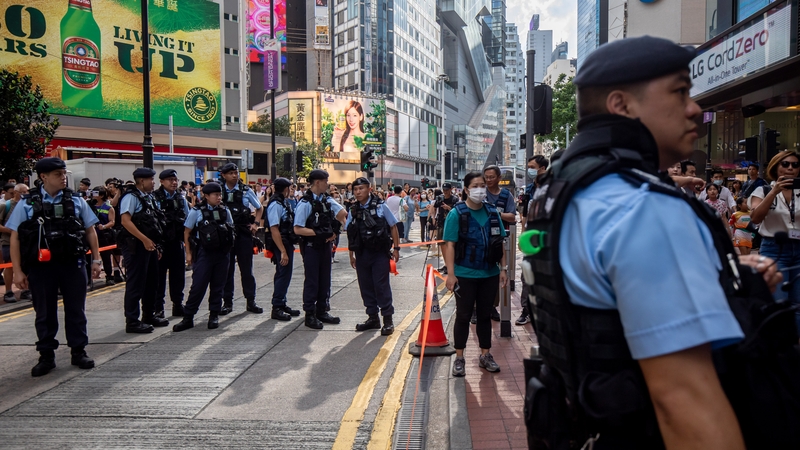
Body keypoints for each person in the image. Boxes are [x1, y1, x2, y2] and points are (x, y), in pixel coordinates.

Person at [522, 36, 794, 449]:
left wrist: (723, 279)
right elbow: (685, 404)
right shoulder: (643, 208)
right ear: (622, 105)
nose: (695, 109)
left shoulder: (561, 190)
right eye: (680, 92)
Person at [7, 157, 101, 377]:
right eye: (58, 174)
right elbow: (15, 237)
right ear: (43, 177)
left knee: (76, 309)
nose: (64, 177)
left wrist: (96, 260)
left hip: (72, 262)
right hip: (42, 266)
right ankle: (46, 355)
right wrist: (18, 270)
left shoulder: (76, 200)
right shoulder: (27, 202)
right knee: (44, 312)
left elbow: (90, 230)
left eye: (64, 173)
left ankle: (78, 351)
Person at [444, 172, 508, 377]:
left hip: (489, 273)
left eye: (482, 185)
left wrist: (503, 269)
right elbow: (450, 245)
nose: (480, 189)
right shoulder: (457, 214)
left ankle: (485, 354)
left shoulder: (492, 212)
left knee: (484, 315)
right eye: (475, 186)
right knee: (463, 315)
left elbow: (500, 244)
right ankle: (460, 357)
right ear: (466, 189)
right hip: (464, 274)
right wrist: (451, 274)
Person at [173, 182, 235, 332]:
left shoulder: (225, 210)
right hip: (204, 253)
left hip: (222, 253)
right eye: (215, 195)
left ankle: (214, 315)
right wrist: (188, 253)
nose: (219, 197)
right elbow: (187, 232)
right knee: (198, 285)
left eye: (220, 195)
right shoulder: (197, 211)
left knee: (218, 286)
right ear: (206, 196)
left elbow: (231, 228)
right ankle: (188, 317)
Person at [749, 150, 800, 333]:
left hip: (799, 251)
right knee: (777, 302)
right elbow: (755, 218)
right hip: (774, 249)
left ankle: (795, 348)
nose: (790, 168)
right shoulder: (762, 190)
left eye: (795, 165)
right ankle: (779, 348)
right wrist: (774, 191)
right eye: (785, 164)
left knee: (798, 304)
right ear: (775, 167)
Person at [346, 177, 401, 335]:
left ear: (369, 189)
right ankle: (372, 317)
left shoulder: (380, 206)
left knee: (381, 285)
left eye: (361, 188)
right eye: (355, 189)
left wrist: (396, 249)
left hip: (379, 253)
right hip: (361, 253)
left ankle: (388, 320)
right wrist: (351, 255)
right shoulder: (353, 209)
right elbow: (351, 233)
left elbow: (393, 226)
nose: (358, 192)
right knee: (366, 286)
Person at [293, 169, 347, 329]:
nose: (328, 184)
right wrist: (319, 233)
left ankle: (322, 310)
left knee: (325, 278)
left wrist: (334, 231)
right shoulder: (305, 203)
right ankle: (310, 313)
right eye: (326, 181)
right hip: (311, 247)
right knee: (312, 280)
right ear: (317, 182)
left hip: (325, 246)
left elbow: (343, 212)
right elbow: (297, 229)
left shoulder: (326, 200)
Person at [118, 167, 168, 333]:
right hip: (136, 245)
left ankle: (148, 315)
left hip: (150, 245)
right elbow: (126, 221)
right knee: (136, 283)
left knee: (152, 282)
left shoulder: (148, 197)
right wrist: (144, 240)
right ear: (141, 181)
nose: (153, 183)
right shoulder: (131, 197)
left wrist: (155, 244)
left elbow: (153, 222)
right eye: (151, 180)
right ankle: (132, 321)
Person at [218, 163, 264, 315]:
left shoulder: (245, 190)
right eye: (230, 173)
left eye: (236, 172)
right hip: (225, 235)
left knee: (246, 270)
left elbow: (259, 207)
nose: (234, 175)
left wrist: (256, 224)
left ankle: (251, 301)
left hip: (243, 233)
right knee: (227, 270)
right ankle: (227, 302)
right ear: (224, 175)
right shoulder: (219, 190)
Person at [153, 169, 190, 317]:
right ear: (162, 181)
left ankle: (177, 304)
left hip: (176, 242)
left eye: (175, 180)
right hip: (161, 244)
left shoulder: (181, 199)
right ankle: (158, 308)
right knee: (159, 277)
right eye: (170, 180)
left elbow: (188, 219)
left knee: (178, 276)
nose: (174, 183)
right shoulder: (154, 198)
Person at [483, 165, 518, 321]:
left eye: (491, 177)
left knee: (496, 274)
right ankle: (478, 309)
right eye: (486, 177)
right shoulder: (481, 193)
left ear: (498, 178)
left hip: (498, 240)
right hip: (481, 238)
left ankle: (492, 307)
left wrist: (497, 213)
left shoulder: (506, 195)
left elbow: (512, 217)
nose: (488, 180)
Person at [517, 155, 549, 326]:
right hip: (530, 238)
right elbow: (524, 216)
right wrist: (522, 235)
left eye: (532, 166)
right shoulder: (529, 189)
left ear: (542, 168)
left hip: (547, 240)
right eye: (528, 166)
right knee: (526, 276)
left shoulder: (553, 187)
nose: (529, 169)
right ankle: (526, 310)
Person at [266, 178, 302, 321]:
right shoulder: (275, 204)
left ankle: (282, 302)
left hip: (285, 242)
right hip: (281, 243)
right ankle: (277, 306)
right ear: (285, 189)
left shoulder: (282, 202)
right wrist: (282, 251)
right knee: (283, 274)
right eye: (290, 188)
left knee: (283, 273)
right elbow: (274, 228)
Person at [1, 183, 31, 302]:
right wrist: (13, 231)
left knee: (25, 266)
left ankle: (25, 290)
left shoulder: (29, 206)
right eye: (22, 192)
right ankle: (8, 292)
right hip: (8, 242)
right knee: (9, 266)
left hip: (25, 243)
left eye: (26, 192)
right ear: (15, 193)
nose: (24, 195)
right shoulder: (6, 206)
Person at [91, 187, 117, 287]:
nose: (94, 195)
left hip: (104, 235)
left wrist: (104, 226)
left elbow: (112, 222)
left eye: (96, 193)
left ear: (102, 195)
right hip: (93, 235)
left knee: (106, 257)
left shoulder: (108, 207)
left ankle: (109, 276)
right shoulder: (90, 206)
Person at [434, 184, 458, 269]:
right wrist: (433, 218)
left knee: (450, 244)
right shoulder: (440, 198)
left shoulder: (455, 199)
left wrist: (448, 208)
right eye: (444, 190)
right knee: (442, 245)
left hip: (451, 223)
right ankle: (446, 264)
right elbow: (434, 207)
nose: (445, 192)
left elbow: (458, 211)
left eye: (447, 190)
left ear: (451, 189)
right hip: (441, 223)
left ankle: (451, 264)